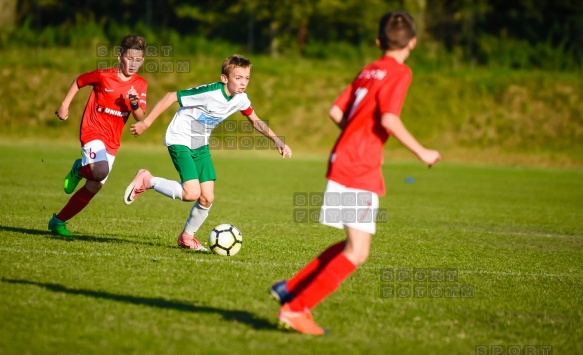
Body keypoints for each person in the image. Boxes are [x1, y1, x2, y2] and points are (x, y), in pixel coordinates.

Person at [269, 11, 441, 335]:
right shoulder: (400, 72)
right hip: (358, 164)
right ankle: (295, 308)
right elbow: (389, 119)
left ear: (378, 42)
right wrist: (423, 152)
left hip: (345, 158)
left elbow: (336, 111)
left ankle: (291, 288)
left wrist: (358, 137)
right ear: (413, 43)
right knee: (358, 250)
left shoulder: (368, 69)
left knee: (354, 244)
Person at [123, 54, 292, 251]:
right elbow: (171, 97)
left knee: (207, 198)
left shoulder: (241, 99)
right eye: (238, 77)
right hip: (180, 138)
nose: (243, 82)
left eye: (246, 78)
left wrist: (276, 139)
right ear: (224, 78)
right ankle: (147, 180)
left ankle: (186, 237)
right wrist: (145, 123)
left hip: (199, 142)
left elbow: (255, 120)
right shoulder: (210, 92)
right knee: (191, 193)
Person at [48, 34, 148, 237]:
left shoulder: (140, 84)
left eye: (138, 60)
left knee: (94, 185)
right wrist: (65, 105)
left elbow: (139, 116)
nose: (133, 64)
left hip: (112, 140)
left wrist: (135, 103)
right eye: (130, 58)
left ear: (143, 60)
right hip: (92, 130)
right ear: (120, 56)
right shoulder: (103, 76)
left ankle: (58, 221)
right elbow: (79, 81)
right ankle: (79, 168)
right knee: (100, 172)